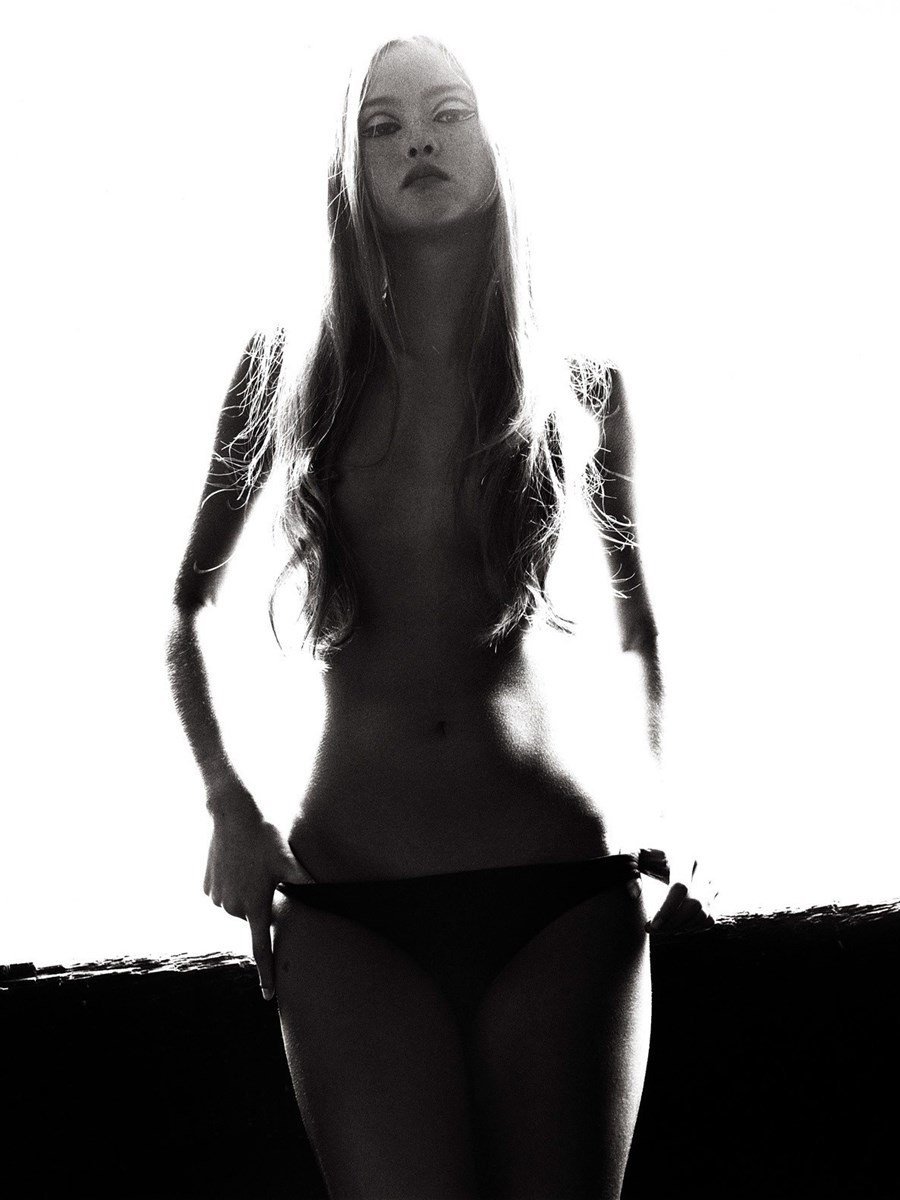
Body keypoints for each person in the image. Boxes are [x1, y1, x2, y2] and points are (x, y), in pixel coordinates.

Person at [167, 33, 712, 1200]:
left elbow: (638, 631)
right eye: (383, 125)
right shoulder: (283, 370)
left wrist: (663, 823)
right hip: (349, 902)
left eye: (447, 111)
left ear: (493, 142)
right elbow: (187, 609)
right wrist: (227, 804)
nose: (417, 138)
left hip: (563, 892)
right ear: (350, 170)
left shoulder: (579, 381)